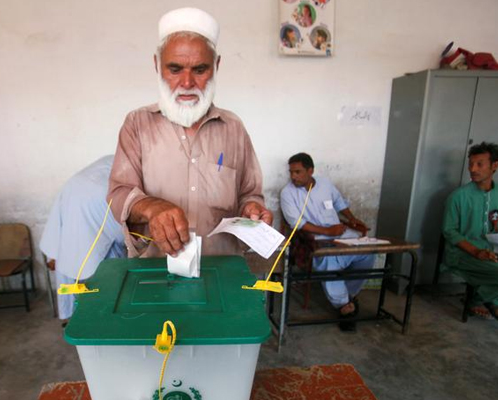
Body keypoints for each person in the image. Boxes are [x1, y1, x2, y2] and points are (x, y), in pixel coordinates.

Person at [107, 7, 272, 259]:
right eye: (174, 69)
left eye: (199, 70)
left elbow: (250, 193)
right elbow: (118, 193)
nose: (186, 83)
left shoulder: (233, 127)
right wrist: (150, 207)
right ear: (156, 65)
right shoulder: (137, 124)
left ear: (216, 66)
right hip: (156, 273)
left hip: (222, 271)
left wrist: (252, 208)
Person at [280, 153, 374, 332]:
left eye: (298, 172)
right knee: (329, 259)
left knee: (367, 252)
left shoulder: (325, 184)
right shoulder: (288, 193)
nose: (293, 176)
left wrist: (352, 220)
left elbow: (339, 203)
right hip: (316, 238)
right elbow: (297, 224)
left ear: (310, 171)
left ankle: (349, 296)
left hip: (340, 234)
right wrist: (327, 231)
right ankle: (344, 307)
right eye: (291, 172)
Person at [40, 155, 126, 325]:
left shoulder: (115, 159)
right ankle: (105, 317)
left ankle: (68, 316)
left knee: (68, 259)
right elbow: (127, 237)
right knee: (111, 271)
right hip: (95, 202)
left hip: (75, 197)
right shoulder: (121, 178)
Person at [442, 142, 498, 321]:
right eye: (471, 164)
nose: (473, 169)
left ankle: (493, 299)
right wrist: (476, 251)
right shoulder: (458, 196)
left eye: (479, 164)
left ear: (495, 165)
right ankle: (479, 299)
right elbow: (449, 231)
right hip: (463, 253)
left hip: (495, 250)